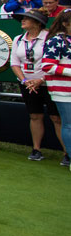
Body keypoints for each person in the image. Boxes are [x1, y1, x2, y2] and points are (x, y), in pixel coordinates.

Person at [10, 9, 66, 163]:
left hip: (49, 83)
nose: (22, 20)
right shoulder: (18, 39)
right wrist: (25, 81)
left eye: (26, 18)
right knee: (35, 115)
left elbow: (55, 62)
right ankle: (36, 149)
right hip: (27, 84)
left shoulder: (50, 38)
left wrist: (41, 79)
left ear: (36, 22)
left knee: (56, 117)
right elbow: (14, 63)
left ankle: (67, 152)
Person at [42, 9, 71, 169]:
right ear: (65, 24)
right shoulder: (56, 40)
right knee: (69, 124)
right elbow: (47, 65)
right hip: (63, 91)